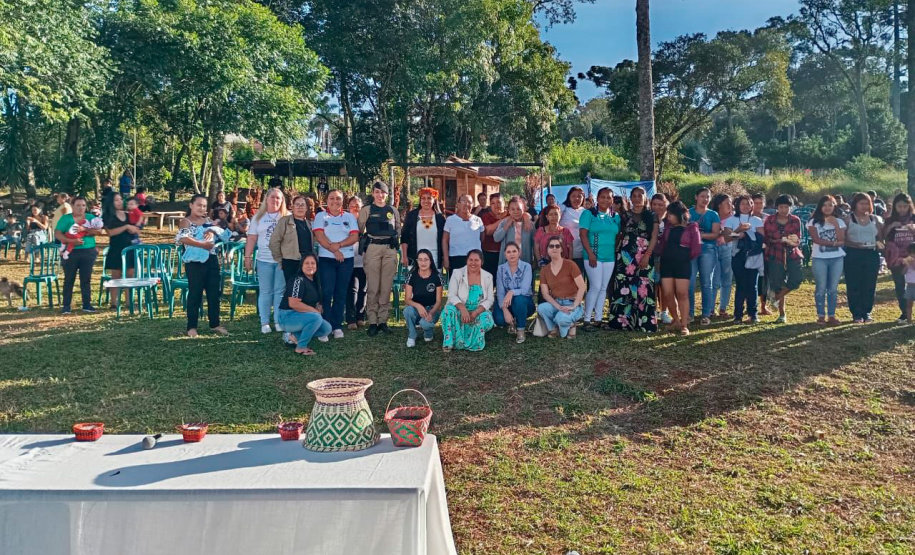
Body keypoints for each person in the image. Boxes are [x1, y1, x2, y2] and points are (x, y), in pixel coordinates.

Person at [174, 195, 230, 337]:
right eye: (199, 205)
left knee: (213, 293)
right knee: (195, 293)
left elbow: (224, 234)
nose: (201, 208)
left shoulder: (209, 221)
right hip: (194, 263)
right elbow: (184, 238)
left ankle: (215, 324)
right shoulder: (185, 222)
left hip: (211, 260)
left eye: (204, 206)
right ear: (191, 205)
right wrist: (203, 245)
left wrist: (213, 230)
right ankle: (191, 327)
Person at [607, 186, 659, 332]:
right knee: (624, 286)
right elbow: (619, 234)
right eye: (634, 195)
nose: (637, 198)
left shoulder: (651, 215)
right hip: (625, 256)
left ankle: (644, 323)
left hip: (644, 254)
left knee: (644, 288)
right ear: (630, 198)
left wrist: (647, 255)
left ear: (645, 197)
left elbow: (654, 237)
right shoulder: (624, 215)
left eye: (640, 195)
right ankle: (622, 322)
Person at [312, 189, 359, 338]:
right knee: (327, 292)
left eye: (338, 198)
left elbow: (354, 236)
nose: (335, 201)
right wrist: (334, 250)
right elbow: (319, 236)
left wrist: (338, 246)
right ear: (327, 200)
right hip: (326, 259)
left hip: (346, 260)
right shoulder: (321, 216)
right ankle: (325, 325)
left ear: (342, 201)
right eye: (331, 198)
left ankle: (336, 325)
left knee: (340, 293)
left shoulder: (349, 217)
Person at [357, 181, 401, 336]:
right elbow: (359, 230)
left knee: (386, 287)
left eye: (383, 192)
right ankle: (373, 321)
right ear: (373, 193)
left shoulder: (393, 210)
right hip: (373, 248)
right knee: (373, 287)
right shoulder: (366, 210)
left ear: (387, 194)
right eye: (377, 192)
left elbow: (397, 230)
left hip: (389, 250)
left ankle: (383, 321)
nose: (380, 195)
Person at [245, 188, 289, 334]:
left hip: (282, 261)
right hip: (263, 260)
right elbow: (252, 238)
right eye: (273, 197)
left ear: (282, 200)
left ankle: (278, 321)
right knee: (265, 291)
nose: (275, 200)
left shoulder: (287, 216)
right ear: (267, 199)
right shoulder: (258, 217)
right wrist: (247, 257)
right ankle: (264, 322)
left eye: (278, 198)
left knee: (279, 292)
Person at [579, 188, 620, 330]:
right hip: (593, 256)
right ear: (597, 198)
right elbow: (583, 235)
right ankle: (586, 319)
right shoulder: (588, 214)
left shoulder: (615, 216)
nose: (605, 200)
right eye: (602, 197)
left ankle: (598, 319)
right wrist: (590, 253)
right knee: (595, 287)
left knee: (603, 288)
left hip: (609, 257)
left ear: (612, 200)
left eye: (609, 197)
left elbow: (619, 234)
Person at [657, 201, 701, 335]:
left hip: (683, 264)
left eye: (671, 214)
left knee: (682, 294)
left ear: (679, 214)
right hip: (667, 263)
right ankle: (675, 320)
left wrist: (683, 257)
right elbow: (663, 244)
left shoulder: (692, 227)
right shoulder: (668, 227)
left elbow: (696, 249)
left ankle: (684, 324)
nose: (668, 217)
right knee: (668, 293)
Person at [54, 197, 102, 314]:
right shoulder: (66, 218)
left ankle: (87, 304)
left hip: (88, 251)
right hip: (71, 252)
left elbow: (99, 231)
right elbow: (58, 233)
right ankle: (66, 306)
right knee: (69, 279)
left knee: (86, 279)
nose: (81, 208)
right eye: (78, 205)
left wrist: (84, 229)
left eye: (83, 205)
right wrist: (70, 241)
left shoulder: (90, 218)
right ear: (73, 206)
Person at [277, 254, 332, 355]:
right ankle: (301, 347)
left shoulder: (315, 281)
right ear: (301, 266)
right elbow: (293, 304)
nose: (310, 266)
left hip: (302, 315)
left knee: (326, 329)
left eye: (313, 263)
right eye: (307, 263)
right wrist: (315, 311)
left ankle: (293, 336)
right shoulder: (298, 280)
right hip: (287, 316)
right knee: (316, 318)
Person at [440, 250, 494, 351]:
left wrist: (476, 312)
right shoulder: (457, 273)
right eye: (470, 260)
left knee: (485, 319)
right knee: (449, 311)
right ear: (466, 261)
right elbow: (451, 295)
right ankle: (449, 343)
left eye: (476, 260)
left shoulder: (488, 276)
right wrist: (463, 309)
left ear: (481, 262)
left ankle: (473, 343)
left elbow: (490, 300)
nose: (473, 263)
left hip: (478, 311)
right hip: (460, 309)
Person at [722, 196, 764, 325]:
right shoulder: (731, 220)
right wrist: (738, 231)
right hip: (738, 255)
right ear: (738, 206)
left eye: (748, 204)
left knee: (752, 285)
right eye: (742, 204)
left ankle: (753, 314)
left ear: (752, 206)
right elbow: (727, 238)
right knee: (741, 285)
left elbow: (762, 238)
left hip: (753, 255)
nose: (746, 206)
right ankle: (738, 315)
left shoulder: (757, 220)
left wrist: (751, 232)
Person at [763, 195, 804, 324]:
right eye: (781, 207)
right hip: (775, 253)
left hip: (792, 253)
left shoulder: (795, 220)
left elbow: (798, 237)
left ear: (790, 207)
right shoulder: (770, 220)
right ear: (777, 207)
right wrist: (778, 240)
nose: (784, 209)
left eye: (786, 207)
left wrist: (792, 241)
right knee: (778, 284)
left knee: (796, 279)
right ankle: (782, 314)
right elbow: (767, 238)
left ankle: (775, 297)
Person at [843, 192, 883, 323]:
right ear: (855, 205)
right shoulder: (848, 219)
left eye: (867, 203)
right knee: (854, 283)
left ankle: (867, 312)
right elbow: (842, 239)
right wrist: (855, 244)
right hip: (853, 254)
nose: (864, 206)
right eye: (861, 203)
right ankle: (856, 313)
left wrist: (879, 244)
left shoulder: (875, 219)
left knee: (869, 284)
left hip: (871, 253)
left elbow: (880, 237)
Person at [806, 195, 846, 325]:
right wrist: (834, 244)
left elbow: (842, 240)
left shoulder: (839, 221)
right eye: (825, 205)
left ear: (835, 206)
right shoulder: (813, 222)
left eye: (830, 205)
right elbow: (816, 239)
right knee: (821, 287)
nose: (827, 208)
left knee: (833, 288)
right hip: (819, 258)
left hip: (837, 258)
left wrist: (835, 224)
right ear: (820, 207)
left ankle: (832, 315)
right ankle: (821, 315)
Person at [538, 237, 586, 338]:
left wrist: (574, 306)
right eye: (551, 246)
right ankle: (554, 328)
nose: (554, 248)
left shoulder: (570, 265)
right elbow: (545, 294)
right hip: (557, 303)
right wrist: (558, 306)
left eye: (557, 246)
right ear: (547, 249)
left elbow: (582, 287)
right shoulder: (544, 270)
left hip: (571, 302)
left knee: (562, 319)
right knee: (541, 308)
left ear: (562, 249)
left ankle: (571, 325)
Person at [688, 188, 721, 326]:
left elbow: (715, 234)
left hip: (708, 249)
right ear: (696, 197)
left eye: (708, 197)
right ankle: (689, 313)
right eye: (702, 196)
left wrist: (699, 235)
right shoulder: (688, 213)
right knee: (689, 283)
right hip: (690, 250)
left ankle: (706, 314)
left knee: (706, 282)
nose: (705, 199)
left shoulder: (713, 214)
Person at [882, 193, 915, 323]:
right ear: (895, 206)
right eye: (899, 206)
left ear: (909, 206)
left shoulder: (913, 218)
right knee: (900, 285)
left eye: (905, 206)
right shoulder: (890, 219)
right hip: (896, 256)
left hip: (912, 256)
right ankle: (904, 313)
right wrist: (891, 226)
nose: (902, 209)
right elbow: (883, 236)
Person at [102, 193, 139, 308]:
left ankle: (129, 302)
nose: (119, 202)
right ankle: (114, 302)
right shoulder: (108, 216)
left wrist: (135, 229)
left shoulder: (129, 215)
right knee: (116, 275)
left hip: (129, 248)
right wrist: (126, 227)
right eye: (116, 200)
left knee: (130, 274)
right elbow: (110, 232)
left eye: (120, 199)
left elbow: (137, 227)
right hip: (116, 248)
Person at [494, 242, 535, 343]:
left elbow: (525, 290)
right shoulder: (501, 269)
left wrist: (511, 292)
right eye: (508, 252)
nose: (511, 254)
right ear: (505, 254)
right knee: (499, 319)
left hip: (524, 303)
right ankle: (512, 323)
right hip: (507, 303)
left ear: (519, 253)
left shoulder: (526, 267)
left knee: (519, 299)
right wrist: (504, 310)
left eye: (514, 251)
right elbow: (500, 292)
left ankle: (521, 329)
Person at [269, 195, 314, 285]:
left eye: (302, 205)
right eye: (297, 205)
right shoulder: (284, 221)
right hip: (291, 262)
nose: (300, 207)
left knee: (306, 291)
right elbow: (274, 242)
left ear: (306, 208)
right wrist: (280, 260)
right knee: (293, 291)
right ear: (292, 207)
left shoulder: (309, 224)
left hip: (307, 262)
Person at [403, 249, 444, 347]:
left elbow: (439, 301)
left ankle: (428, 332)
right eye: (420, 259)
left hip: (432, 308)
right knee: (407, 311)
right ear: (417, 261)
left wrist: (431, 313)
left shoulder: (437, 276)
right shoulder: (412, 275)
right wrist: (418, 306)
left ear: (431, 261)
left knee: (425, 326)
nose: (423, 262)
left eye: (426, 259)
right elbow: (407, 299)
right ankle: (412, 335)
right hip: (417, 309)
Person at [401, 187, 446, 268]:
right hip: (415, 258)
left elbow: (444, 240)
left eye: (429, 198)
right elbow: (404, 237)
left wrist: (444, 258)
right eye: (423, 198)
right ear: (420, 200)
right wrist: (404, 256)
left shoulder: (440, 218)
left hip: (435, 258)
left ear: (434, 200)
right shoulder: (411, 216)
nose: (426, 201)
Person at [442, 194, 484, 272]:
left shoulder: (478, 220)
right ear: (458, 204)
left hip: (475, 258)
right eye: (463, 201)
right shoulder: (450, 220)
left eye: (469, 202)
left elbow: (482, 238)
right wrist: (446, 259)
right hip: (456, 258)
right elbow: (445, 240)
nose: (466, 204)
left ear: (473, 204)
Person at [493, 197, 536, 266]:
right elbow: (496, 238)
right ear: (509, 210)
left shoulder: (529, 224)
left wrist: (535, 260)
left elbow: (535, 243)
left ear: (523, 210)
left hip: (525, 261)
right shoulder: (504, 223)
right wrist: (507, 225)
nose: (516, 211)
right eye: (512, 209)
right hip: (507, 263)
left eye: (519, 209)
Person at [710, 193, 734, 318]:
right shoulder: (712, 216)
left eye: (731, 202)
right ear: (719, 205)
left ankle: (723, 308)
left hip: (728, 250)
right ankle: (710, 309)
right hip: (714, 250)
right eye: (727, 203)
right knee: (714, 281)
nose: (730, 205)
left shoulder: (734, 218)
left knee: (727, 281)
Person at [346, 196, 367, 330]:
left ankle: (361, 316)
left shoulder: (366, 223)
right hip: (349, 261)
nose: (355, 208)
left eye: (358, 206)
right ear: (348, 207)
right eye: (353, 205)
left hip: (364, 262)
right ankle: (350, 318)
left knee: (364, 290)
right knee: (352, 289)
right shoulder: (345, 221)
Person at [650, 193, 671, 325]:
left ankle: (664, 311)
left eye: (661, 204)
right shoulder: (647, 218)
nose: (657, 207)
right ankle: (653, 310)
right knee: (652, 284)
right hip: (650, 255)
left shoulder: (671, 220)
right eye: (655, 204)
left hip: (666, 257)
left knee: (664, 285)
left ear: (666, 205)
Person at [751, 193, 773, 316]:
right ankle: (748, 304)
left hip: (766, 251)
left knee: (764, 279)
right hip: (750, 252)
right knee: (749, 279)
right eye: (756, 203)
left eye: (760, 203)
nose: (758, 205)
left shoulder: (769, 218)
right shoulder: (747, 217)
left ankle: (763, 307)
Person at [559, 186, 587, 273]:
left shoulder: (585, 212)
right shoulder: (563, 209)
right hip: (565, 253)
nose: (576, 198)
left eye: (579, 196)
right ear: (569, 197)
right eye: (573, 196)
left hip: (582, 253)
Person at [480, 193, 508, 276]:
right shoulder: (486, 216)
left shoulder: (510, 214)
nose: (496, 205)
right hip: (489, 254)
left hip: (506, 255)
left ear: (504, 203)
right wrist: (505, 220)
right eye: (493, 203)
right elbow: (488, 231)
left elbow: (526, 215)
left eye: (499, 202)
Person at [902, 243, 915, 323]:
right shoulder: (907, 261)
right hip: (910, 286)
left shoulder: (910, 261)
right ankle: (909, 320)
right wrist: (906, 266)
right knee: (909, 305)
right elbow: (903, 272)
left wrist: (911, 263)